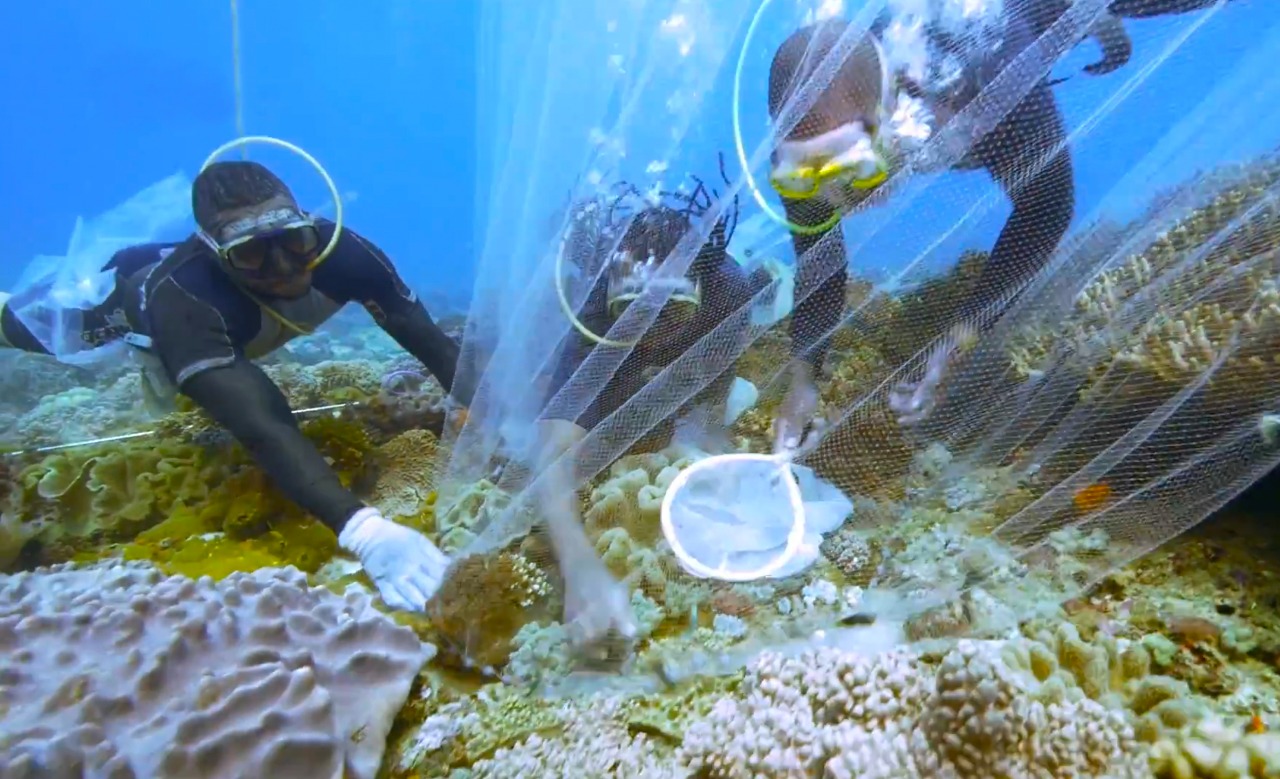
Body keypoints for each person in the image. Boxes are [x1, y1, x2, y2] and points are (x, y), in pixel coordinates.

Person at [0, 160, 469, 612]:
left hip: (202, 283)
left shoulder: (342, 250)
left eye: (293, 241)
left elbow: (428, 340)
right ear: (215, 253)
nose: (283, 265)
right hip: (131, 303)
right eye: (250, 252)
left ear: (310, 228)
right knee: (31, 326)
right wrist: (363, 530)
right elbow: (264, 425)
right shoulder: (183, 301)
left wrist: (503, 414)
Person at [763, 0, 1233, 434]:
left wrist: (960, 339)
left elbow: (1045, 210)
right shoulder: (803, 149)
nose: (837, 198)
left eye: (852, 171)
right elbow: (820, 266)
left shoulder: (982, 81)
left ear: (891, 115)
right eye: (807, 176)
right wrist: (803, 381)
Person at [530, 170, 773, 652]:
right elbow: (554, 445)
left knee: (704, 405)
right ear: (614, 302)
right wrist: (578, 562)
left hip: (699, 350)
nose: (654, 329)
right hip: (615, 354)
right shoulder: (597, 310)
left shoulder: (728, 290)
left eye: (671, 311)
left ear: (701, 290)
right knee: (595, 421)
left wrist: (703, 440)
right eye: (637, 312)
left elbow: (717, 380)